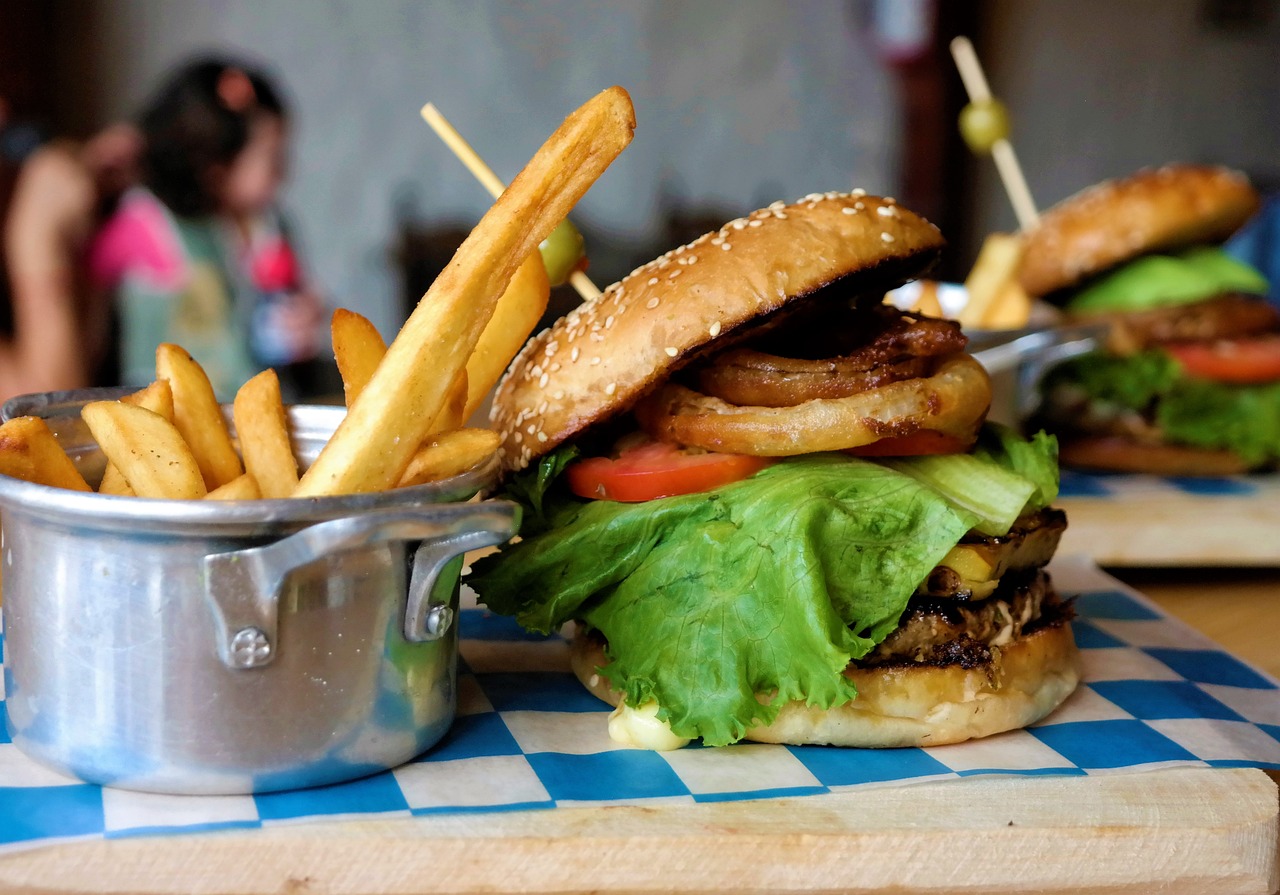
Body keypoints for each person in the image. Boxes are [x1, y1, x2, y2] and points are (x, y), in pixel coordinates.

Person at [1, 55, 322, 403]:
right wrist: (39, 237)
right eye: (272, 159)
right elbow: (55, 392)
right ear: (214, 165)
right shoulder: (148, 222)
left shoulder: (270, 227)